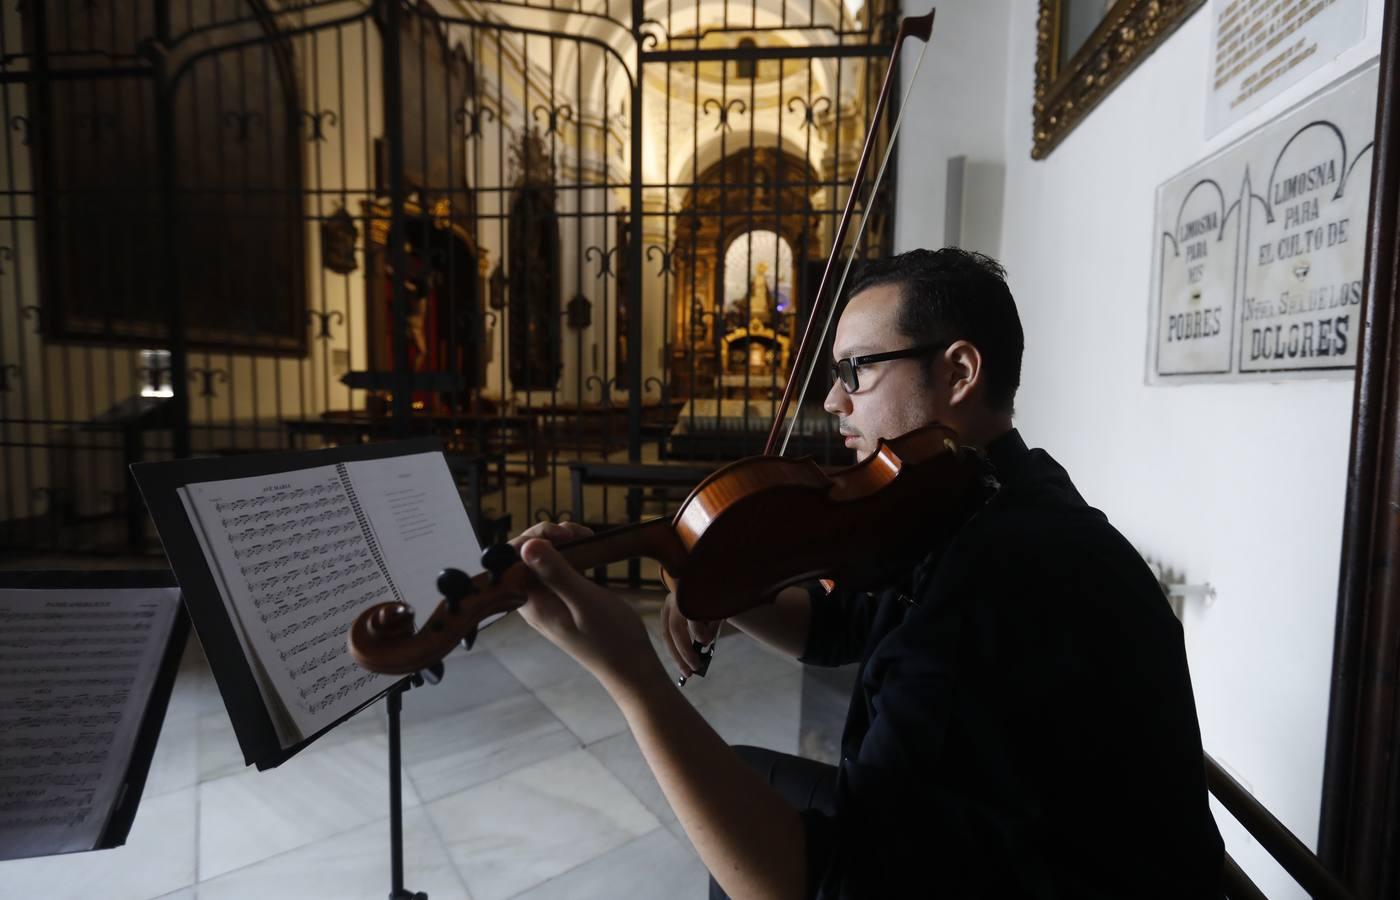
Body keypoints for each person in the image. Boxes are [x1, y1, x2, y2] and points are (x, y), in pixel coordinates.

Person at [510, 248, 1224, 899]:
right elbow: (835, 629)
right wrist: (720, 576)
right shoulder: (983, 490)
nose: (833, 401)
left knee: (738, 825)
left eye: (857, 370)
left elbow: (817, 883)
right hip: (1018, 833)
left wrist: (631, 676)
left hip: (1054, 875)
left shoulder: (997, 588)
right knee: (739, 779)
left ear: (958, 372)